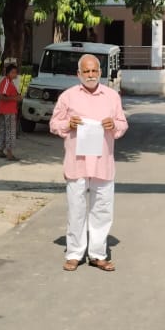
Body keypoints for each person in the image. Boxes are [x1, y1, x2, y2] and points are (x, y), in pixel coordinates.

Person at [50, 53, 128, 272]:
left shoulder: (112, 96)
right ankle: (74, 254)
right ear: (79, 74)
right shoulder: (67, 97)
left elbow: (123, 124)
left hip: (103, 163)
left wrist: (113, 125)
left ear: (100, 72)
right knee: (76, 210)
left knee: (102, 210)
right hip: (77, 163)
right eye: (86, 71)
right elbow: (54, 124)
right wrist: (68, 124)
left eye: (94, 70)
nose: (91, 74)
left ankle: (98, 254)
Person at [0, 62, 21, 161]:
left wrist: (16, 97)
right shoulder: (6, 82)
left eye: (15, 72)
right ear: (8, 73)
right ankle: (9, 154)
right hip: (8, 110)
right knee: (10, 132)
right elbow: (2, 97)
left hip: (5, 110)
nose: (15, 74)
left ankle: (0, 150)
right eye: (13, 72)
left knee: (3, 130)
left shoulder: (8, 82)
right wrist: (15, 98)